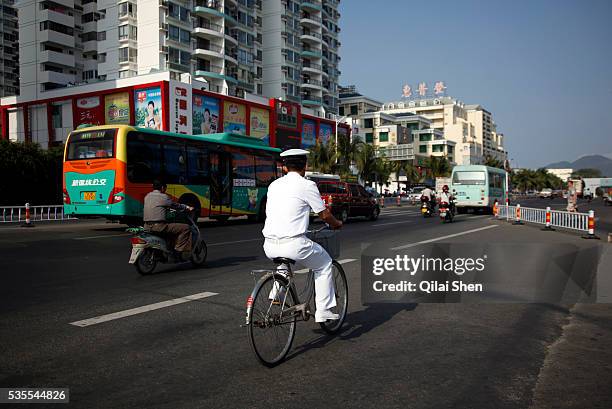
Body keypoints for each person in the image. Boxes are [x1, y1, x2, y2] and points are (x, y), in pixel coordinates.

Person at [262, 149, 343, 323]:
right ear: (304, 166)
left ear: (284, 167)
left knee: (285, 261)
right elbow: (324, 215)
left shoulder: (273, 185)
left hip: (269, 244)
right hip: (294, 244)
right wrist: (336, 224)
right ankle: (324, 310)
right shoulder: (307, 185)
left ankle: (276, 292)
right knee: (324, 264)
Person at [143, 180, 194, 258]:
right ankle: (178, 251)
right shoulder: (163, 197)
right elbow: (175, 205)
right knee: (186, 228)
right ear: (163, 188)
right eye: (165, 188)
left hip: (146, 226)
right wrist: (187, 207)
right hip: (159, 226)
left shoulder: (147, 196)